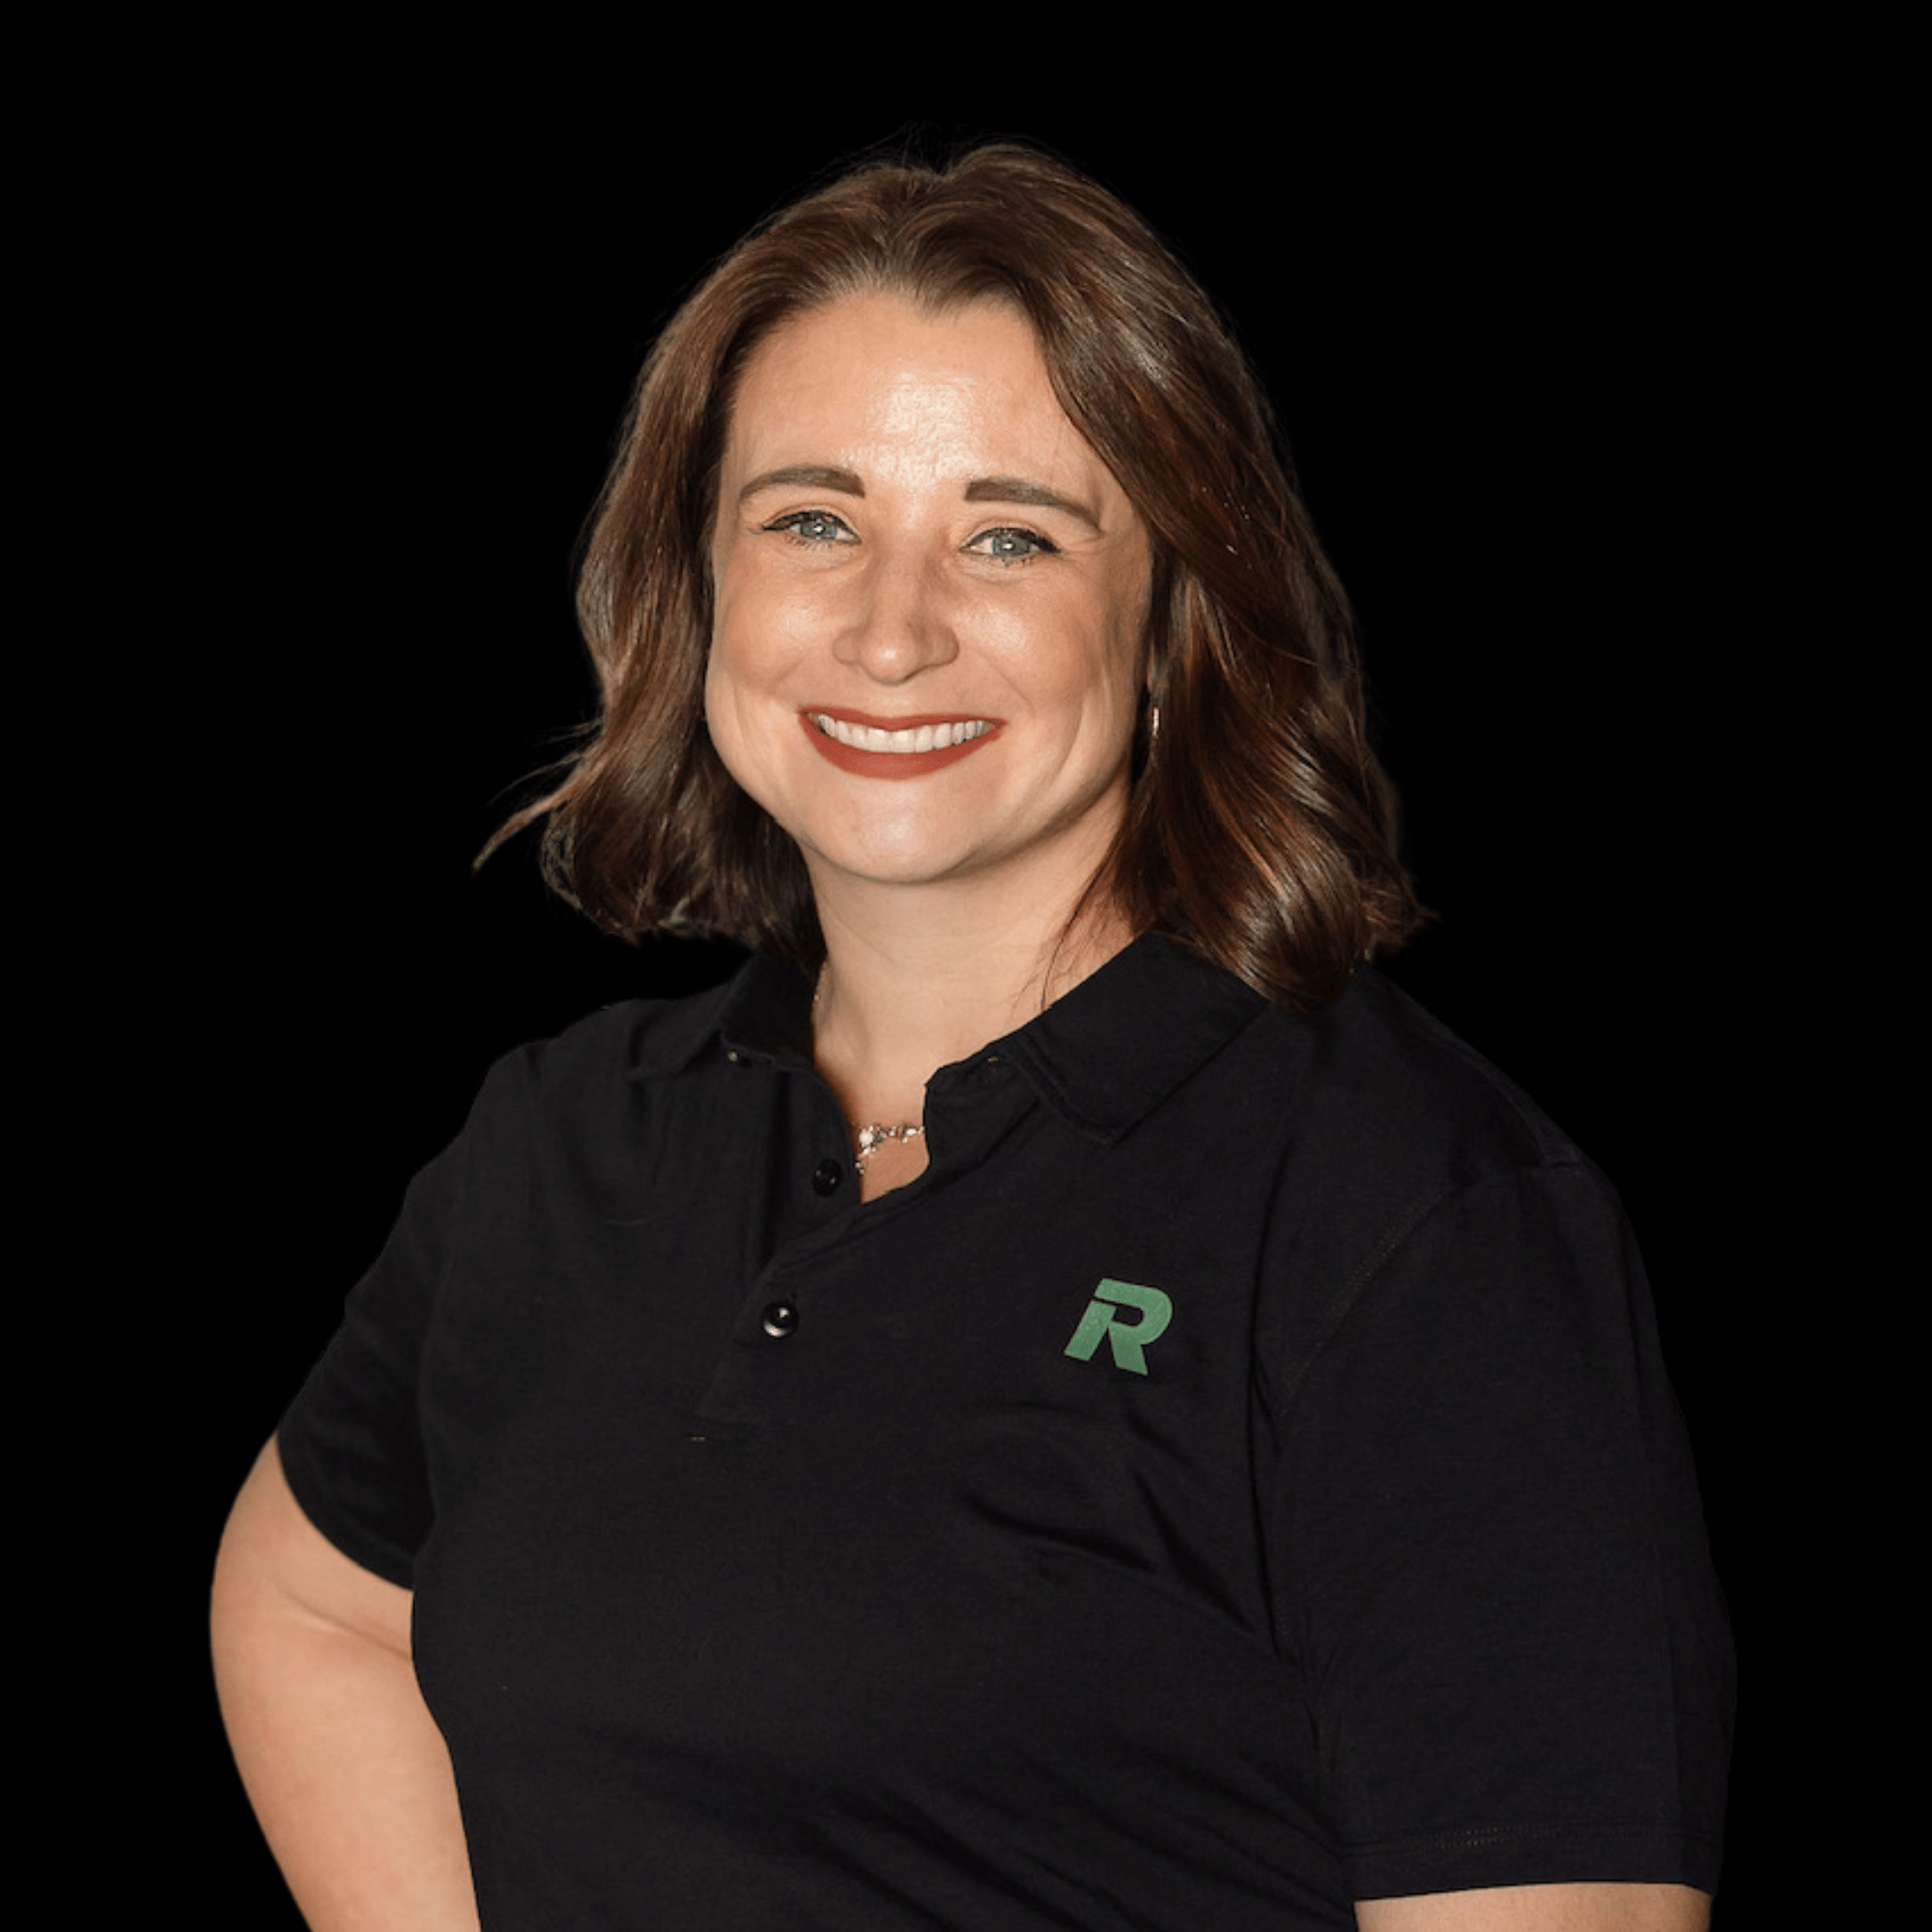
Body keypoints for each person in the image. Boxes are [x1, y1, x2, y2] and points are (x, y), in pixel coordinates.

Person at [211, 141, 1733, 1929]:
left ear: (1174, 621)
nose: (890, 627)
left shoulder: (1414, 1219)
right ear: (697, 586)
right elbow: (310, 1605)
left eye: (1008, 535)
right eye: (811, 520)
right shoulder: (558, 1147)